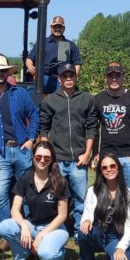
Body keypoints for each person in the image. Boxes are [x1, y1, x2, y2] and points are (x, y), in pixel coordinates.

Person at [0, 55, 38, 253]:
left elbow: (34, 114)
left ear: (8, 73)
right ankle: (8, 235)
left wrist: (31, 138)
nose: (0, 74)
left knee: (29, 192)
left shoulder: (20, 93)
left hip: (21, 149)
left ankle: (31, 231)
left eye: (3, 70)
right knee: (0, 193)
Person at [39, 62, 98, 240]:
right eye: (64, 76)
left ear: (75, 77)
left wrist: (87, 153)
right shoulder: (50, 100)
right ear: (59, 79)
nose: (68, 78)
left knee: (80, 200)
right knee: (56, 198)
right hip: (58, 160)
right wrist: (47, 155)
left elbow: (91, 128)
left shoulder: (86, 99)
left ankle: (81, 235)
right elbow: (44, 129)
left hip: (79, 160)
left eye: (71, 75)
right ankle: (57, 231)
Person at [94, 62, 130, 249]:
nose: (114, 79)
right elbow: (93, 128)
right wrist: (95, 154)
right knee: (104, 198)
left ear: (123, 76)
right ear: (106, 78)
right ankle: (107, 234)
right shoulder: (99, 99)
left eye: (118, 75)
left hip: (129, 157)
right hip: (107, 159)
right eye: (110, 75)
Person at [0, 142, 70, 260]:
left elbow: (62, 215)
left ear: (52, 159)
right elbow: (15, 210)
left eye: (47, 158)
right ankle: (23, 256)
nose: (42, 160)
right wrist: (24, 226)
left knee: (47, 255)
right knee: (5, 226)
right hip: (32, 225)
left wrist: (41, 236)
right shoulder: (25, 178)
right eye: (38, 157)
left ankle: (58, 257)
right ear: (33, 157)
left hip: (54, 228)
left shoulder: (60, 181)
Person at [78, 153, 130, 260]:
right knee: (83, 231)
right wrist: (87, 220)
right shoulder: (92, 191)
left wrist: (121, 247)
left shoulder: (129, 195)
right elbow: (87, 212)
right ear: (100, 171)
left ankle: (112, 257)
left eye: (112, 166)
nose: (109, 169)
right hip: (97, 232)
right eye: (104, 167)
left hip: (115, 237)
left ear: (118, 168)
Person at [25, 16, 82, 93]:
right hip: (43, 78)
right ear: (51, 28)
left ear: (64, 29)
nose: (57, 29)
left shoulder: (71, 45)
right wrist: (30, 67)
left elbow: (77, 63)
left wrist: (73, 77)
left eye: (60, 26)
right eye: (55, 26)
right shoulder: (42, 42)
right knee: (32, 90)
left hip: (62, 79)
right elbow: (29, 59)